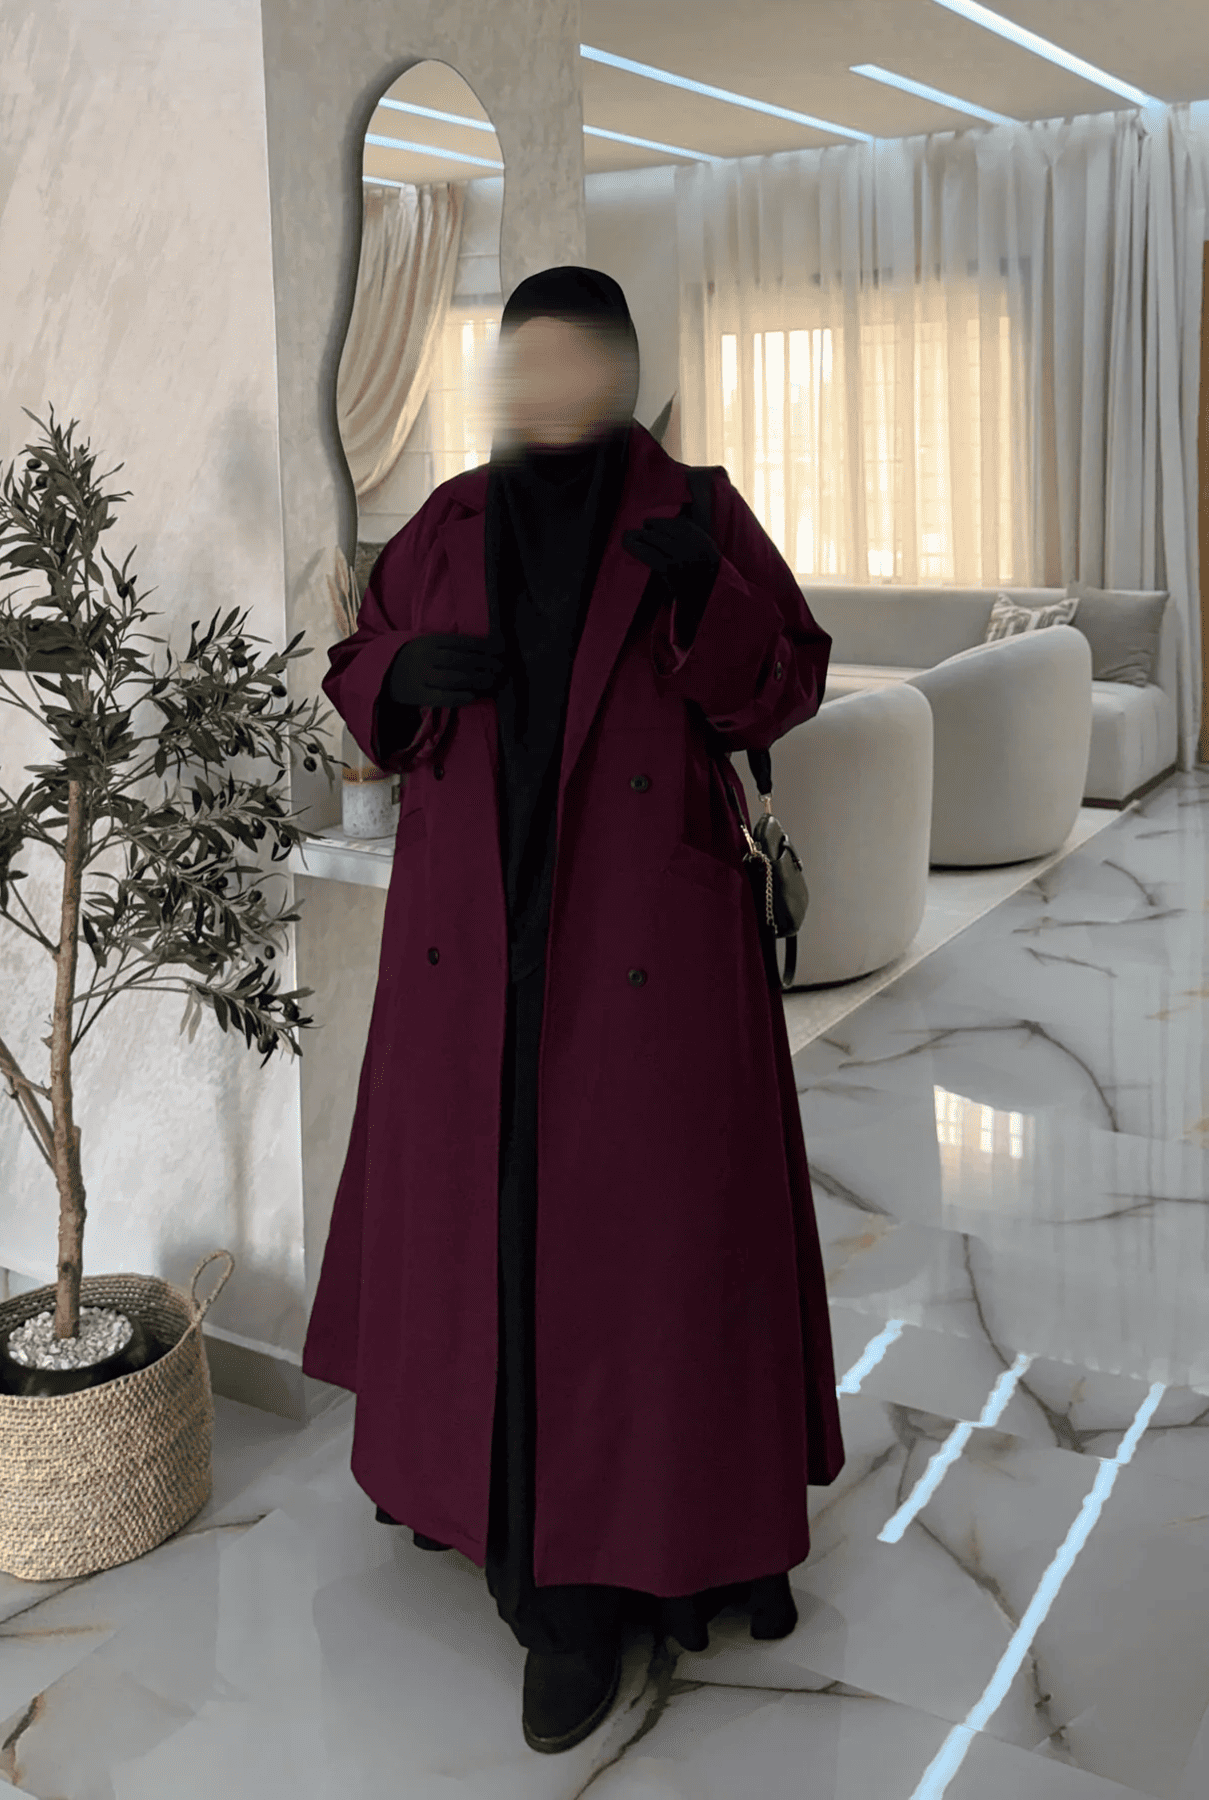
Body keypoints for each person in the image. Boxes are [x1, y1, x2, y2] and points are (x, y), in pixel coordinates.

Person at [302, 266, 845, 1756]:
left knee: (637, 1266)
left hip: (645, 956)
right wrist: (400, 673)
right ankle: (513, 1542)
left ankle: (605, 1582)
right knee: (491, 1235)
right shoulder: (447, 523)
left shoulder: (695, 510)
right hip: (473, 951)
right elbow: (353, 664)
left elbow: (786, 686)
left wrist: (701, 599)